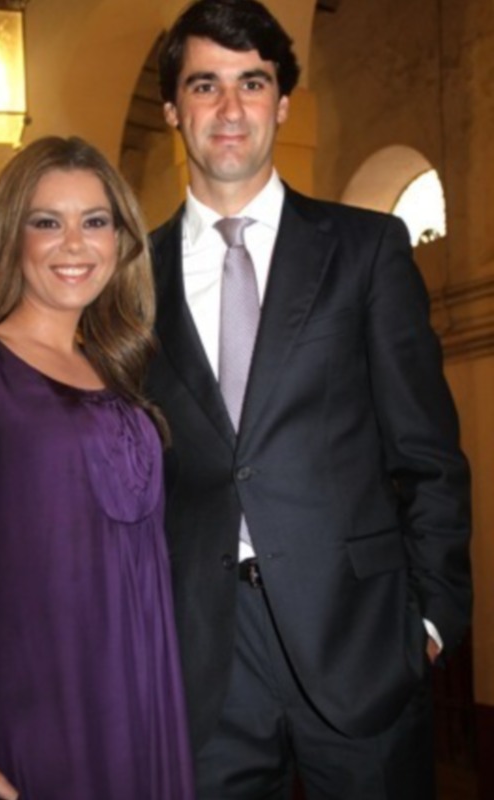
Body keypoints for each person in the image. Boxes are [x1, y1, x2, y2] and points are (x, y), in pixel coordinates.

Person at [146, 1, 472, 798]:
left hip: (361, 640)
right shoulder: (130, 279)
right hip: (202, 657)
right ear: (173, 110)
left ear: (282, 103)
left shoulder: (366, 249)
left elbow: (427, 455)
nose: (230, 108)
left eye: (252, 83)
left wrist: (431, 621)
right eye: (205, 85)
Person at [0, 136, 195, 800]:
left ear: (119, 240)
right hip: (35, 707)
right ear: (13, 236)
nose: (75, 244)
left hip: (142, 698)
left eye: (95, 221)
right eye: (47, 222)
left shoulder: (117, 371)